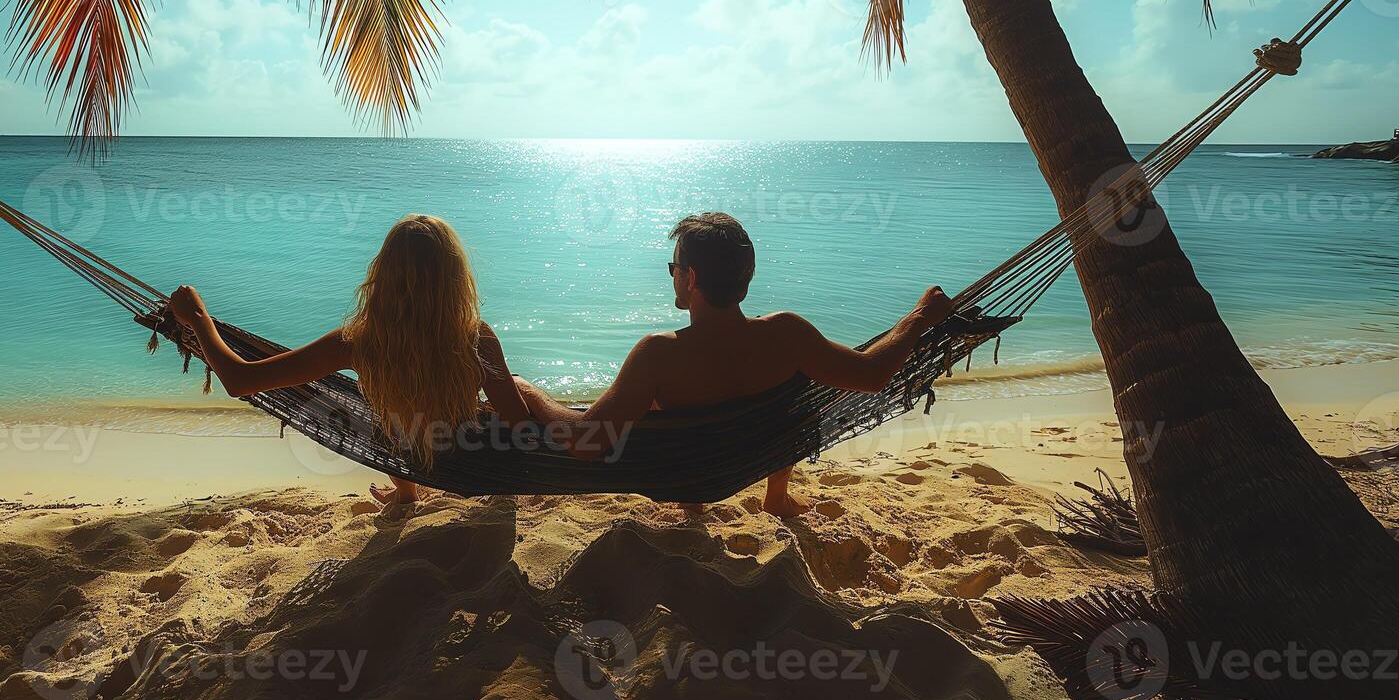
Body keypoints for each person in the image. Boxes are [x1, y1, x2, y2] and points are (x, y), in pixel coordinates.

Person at [555, 211, 954, 517]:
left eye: (674, 268)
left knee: (652, 402)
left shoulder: (659, 354)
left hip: (692, 478)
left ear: (690, 278)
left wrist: (526, 393)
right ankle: (775, 497)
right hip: (755, 458)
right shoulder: (786, 334)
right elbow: (871, 374)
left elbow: (586, 442)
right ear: (745, 281)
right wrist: (918, 317)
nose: (672, 276)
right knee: (790, 397)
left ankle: (695, 506)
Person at [166, 214, 548, 509]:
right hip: (470, 459)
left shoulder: (359, 342)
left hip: (408, 457)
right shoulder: (476, 338)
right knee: (510, 389)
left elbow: (239, 380)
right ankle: (418, 491)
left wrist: (199, 320)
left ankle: (407, 493)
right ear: (455, 278)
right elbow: (519, 428)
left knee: (382, 416)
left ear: (383, 275)